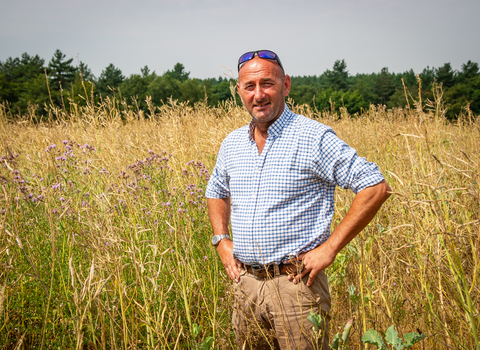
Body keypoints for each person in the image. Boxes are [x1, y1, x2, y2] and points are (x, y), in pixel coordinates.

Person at [205, 50, 391, 350]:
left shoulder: (313, 137)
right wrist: (220, 239)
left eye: (268, 83)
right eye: (249, 86)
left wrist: (329, 248)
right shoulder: (232, 143)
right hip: (246, 284)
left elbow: (375, 186)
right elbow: (216, 190)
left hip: (295, 287)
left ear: (286, 85)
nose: (258, 94)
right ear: (238, 91)